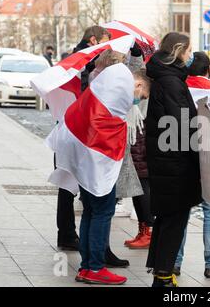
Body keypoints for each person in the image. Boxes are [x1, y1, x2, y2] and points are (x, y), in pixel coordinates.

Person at [74, 53, 145, 285]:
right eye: (141, 94)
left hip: (86, 164)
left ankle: (86, 267)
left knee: (90, 213)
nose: (138, 99)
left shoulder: (100, 93)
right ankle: (95, 267)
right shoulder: (113, 105)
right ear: (137, 84)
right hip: (99, 168)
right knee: (102, 214)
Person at [145, 32, 202, 287]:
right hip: (174, 162)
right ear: (178, 51)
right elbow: (182, 125)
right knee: (174, 220)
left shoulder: (168, 78)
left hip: (167, 159)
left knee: (168, 219)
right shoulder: (171, 82)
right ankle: (164, 276)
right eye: (189, 52)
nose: (190, 56)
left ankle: (161, 273)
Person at [173, 51, 210, 279]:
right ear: (208, 71)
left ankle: (174, 262)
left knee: (181, 213)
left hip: (182, 156)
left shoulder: (178, 88)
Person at [56, 26, 111, 253]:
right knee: (75, 185)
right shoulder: (83, 63)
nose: (107, 46)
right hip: (77, 131)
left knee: (68, 184)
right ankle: (70, 235)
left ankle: (68, 233)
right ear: (93, 40)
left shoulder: (75, 59)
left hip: (68, 129)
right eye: (105, 41)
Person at [123, 71, 154, 250]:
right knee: (138, 187)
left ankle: (148, 231)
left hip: (141, 137)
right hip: (137, 137)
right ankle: (143, 230)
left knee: (142, 186)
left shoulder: (147, 91)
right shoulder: (136, 88)